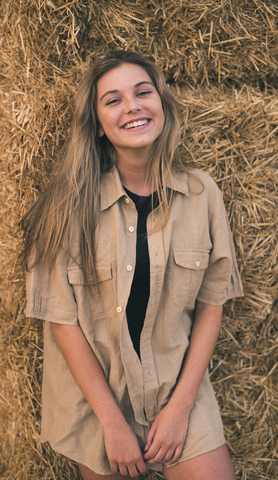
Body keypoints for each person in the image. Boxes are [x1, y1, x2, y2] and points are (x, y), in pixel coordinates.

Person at [22, 50, 243, 480]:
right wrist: (112, 423)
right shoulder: (67, 207)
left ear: (162, 105)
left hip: (176, 389)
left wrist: (180, 408)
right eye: (113, 100)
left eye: (144, 93)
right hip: (97, 400)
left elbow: (211, 307)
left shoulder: (202, 194)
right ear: (99, 126)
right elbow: (61, 323)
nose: (133, 106)